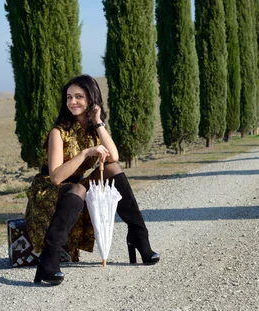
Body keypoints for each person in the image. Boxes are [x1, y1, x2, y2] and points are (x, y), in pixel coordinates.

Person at [24, 74, 159, 286]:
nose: (72, 102)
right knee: (77, 189)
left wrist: (98, 123)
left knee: (113, 169)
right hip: (49, 191)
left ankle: (138, 235)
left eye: (79, 96)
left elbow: (113, 157)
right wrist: (86, 153)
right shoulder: (58, 132)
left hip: (76, 186)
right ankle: (50, 257)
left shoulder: (93, 129)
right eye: (69, 97)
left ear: (92, 99)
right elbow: (56, 177)